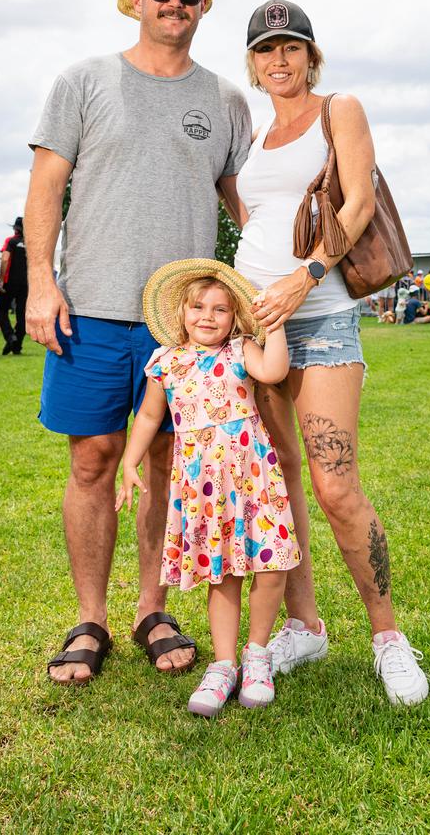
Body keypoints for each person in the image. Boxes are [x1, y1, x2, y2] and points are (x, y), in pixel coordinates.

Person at [25, 0, 252, 684]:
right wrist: (41, 282)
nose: (175, 4)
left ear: (205, 5)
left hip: (182, 326)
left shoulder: (223, 99)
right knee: (92, 460)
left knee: (164, 462)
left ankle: (151, 606)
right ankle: (90, 617)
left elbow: (245, 203)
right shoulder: (82, 81)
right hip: (87, 309)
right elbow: (45, 188)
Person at [230, 0, 429, 706]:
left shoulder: (337, 108)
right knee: (276, 483)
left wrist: (304, 275)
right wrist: (246, 288)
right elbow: (251, 216)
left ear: (311, 56)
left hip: (320, 318)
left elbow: (357, 205)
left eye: (291, 47)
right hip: (253, 326)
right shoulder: (253, 137)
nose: (279, 60)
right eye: (265, 50)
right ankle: (304, 626)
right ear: (252, 64)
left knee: (334, 483)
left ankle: (388, 638)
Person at [115, 260, 300, 716]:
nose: (207, 316)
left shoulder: (241, 351)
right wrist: (129, 461)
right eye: (197, 306)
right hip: (204, 483)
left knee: (271, 563)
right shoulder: (166, 362)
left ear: (235, 318)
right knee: (224, 571)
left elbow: (274, 371)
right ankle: (223, 665)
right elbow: (150, 417)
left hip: (252, 474)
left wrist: (271, 324)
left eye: (220, 309)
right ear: (181, 313)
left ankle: (257, 656)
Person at [0, 216, 28, 355]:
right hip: (25, 283)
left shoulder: (11, 241)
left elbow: (4, 259)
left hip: (9, 282)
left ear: (15, 228)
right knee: (22, 315)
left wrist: (1, 279)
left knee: (1, 310)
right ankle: (17, 345)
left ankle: (10, 337)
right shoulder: (30, 243)